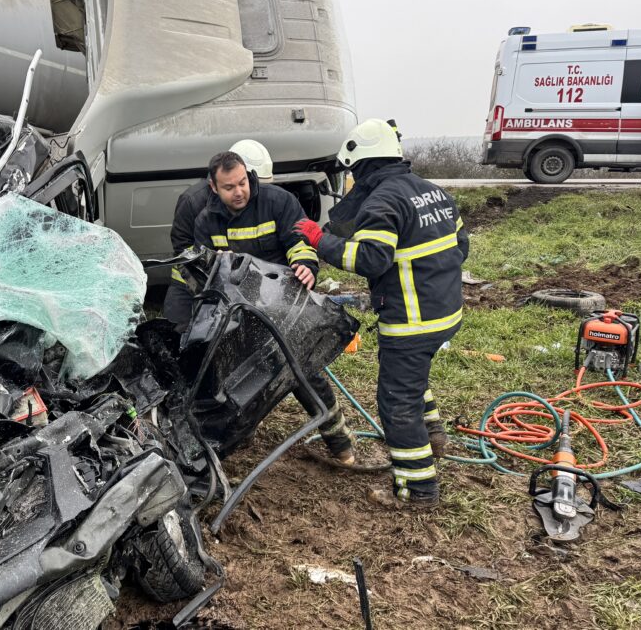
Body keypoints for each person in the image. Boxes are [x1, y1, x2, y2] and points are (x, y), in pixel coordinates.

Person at [294, 119, 468, 507]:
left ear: (362, 165)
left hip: (412, 321)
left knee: (397, 403)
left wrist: (320, 240)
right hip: (446, 311)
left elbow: (370, 259)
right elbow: (462, 246)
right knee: (410, 376)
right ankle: (433, 433)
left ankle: (417, 490)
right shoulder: (433, 191)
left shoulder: (382, 201)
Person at [191, 150, 356, 464]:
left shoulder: (278, 201)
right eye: (229, 187)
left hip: (284, 306)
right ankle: (238, 437)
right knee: (237, 381)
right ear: (214, 187)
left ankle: (339, 442)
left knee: (302, 373)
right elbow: (206, 275)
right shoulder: (206, 221)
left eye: (242, 182)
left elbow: (299, 242)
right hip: (241, 312)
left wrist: (306, 266)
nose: (239, 191)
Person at [163, 139, 274, 329]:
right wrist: (212, 261)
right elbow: (183, 251)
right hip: (190, 281)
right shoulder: (192, 202)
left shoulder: (261, 202)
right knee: (180, 332)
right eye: (230, 186)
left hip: (239, 281)